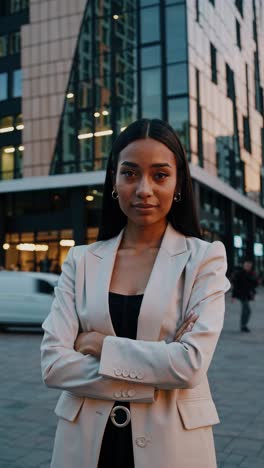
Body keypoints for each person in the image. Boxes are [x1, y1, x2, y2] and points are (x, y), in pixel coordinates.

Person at [41, 118, 230, 468]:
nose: (144, 188)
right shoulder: (81, 261)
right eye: (130, 174)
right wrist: (159, 372)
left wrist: (100, 346)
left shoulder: (204, 259)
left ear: (177, 183)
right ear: (114, 181)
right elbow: (54, 366)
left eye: (160, 175)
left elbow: (189, 366)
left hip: (172, 446)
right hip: (85, 446)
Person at [232, 260, 258, 332]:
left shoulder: (251, 273)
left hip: (247, 294)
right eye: (247, 265)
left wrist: (253, 293)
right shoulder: (240, 274)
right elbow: (236, 285)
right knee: (246, 310)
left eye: (249, 266)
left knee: (247, 311)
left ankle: (243, 325)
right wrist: (233, 296)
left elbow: (253, 285)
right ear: (244, 265)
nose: (248, 267)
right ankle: (243, 326)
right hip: (241, 295)